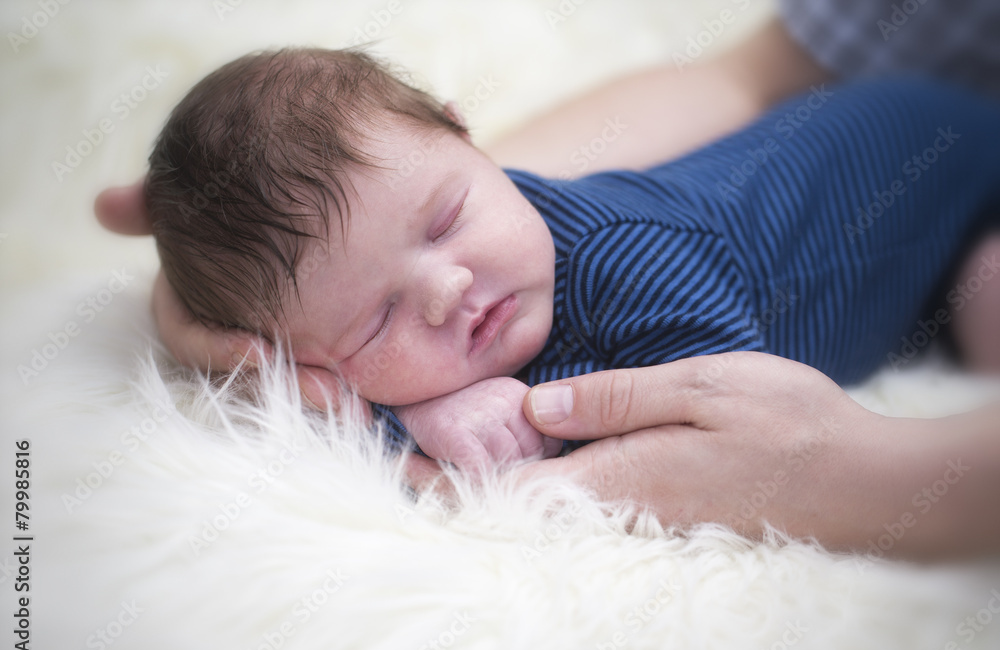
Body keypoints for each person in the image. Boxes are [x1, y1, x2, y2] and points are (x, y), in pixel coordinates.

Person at [130, 45, 1000, 473]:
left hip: (951, 172)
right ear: (313, 362)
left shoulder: (632, 259)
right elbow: (357, 415)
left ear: (470, 139)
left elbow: (726, 416)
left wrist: (515, 424)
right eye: (377, 317)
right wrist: (422, 418)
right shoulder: (411, 319)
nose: (445, 291)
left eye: (445, 221)